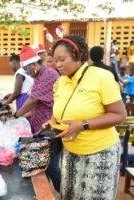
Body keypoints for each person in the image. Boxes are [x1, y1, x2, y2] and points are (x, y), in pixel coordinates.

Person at [49, 35, 126, 199]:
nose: (58, 65)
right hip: (70, 152)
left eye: (62, 59)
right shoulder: (60, 81)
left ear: (78, 56)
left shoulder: (101, 77)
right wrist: (53, 120)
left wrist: (83, 124)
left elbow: (119, 115)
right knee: (70, 196)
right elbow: (60, 109)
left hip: (100, 152)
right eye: (55, 60)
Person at [14, 46, 61, 196]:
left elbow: (33, 100)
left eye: (27, 69)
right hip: (40, 128)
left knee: (51, 165)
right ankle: (45, 194)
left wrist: (17, 115)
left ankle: (64, 193)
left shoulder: (48, 74)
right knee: (41, 167)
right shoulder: (39, 76)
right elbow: (37, 103)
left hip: (50, 128)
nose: (27, 73)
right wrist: (23, 116)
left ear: (34, 64)